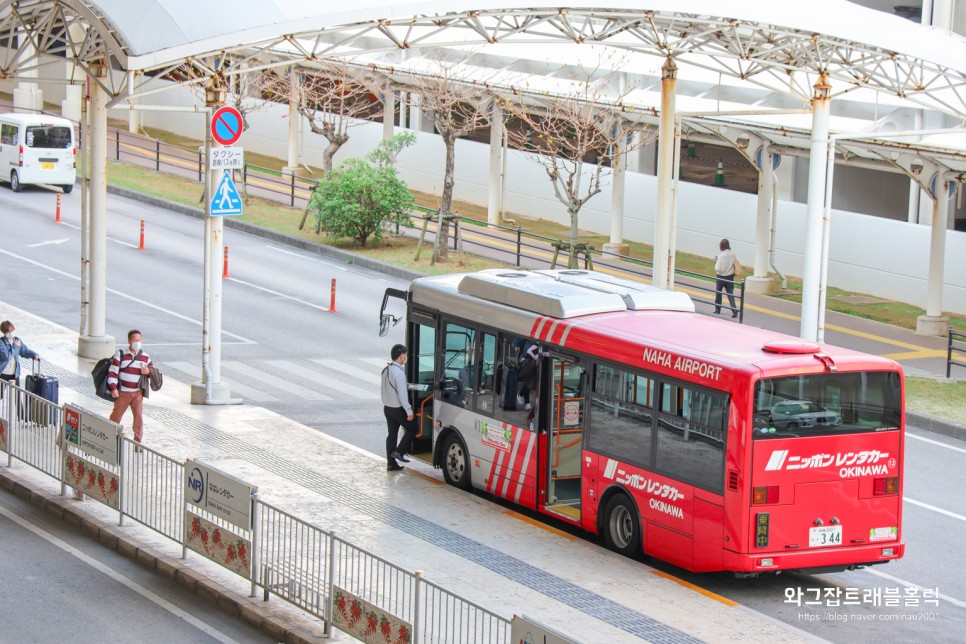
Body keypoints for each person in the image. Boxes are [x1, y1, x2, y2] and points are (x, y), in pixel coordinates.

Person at [108, 330, 153, 449]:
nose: (137, 342)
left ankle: (137, 442)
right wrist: (113, 388)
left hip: (137, 393)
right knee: (116, 416)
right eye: (135, 340)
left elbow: (152, 372)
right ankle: (109, 437)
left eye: (139, 340)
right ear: (129, 341)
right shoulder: (121, 354)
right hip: (123, 393)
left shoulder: (145, 357)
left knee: (138, 417)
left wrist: (148, 372)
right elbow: (113, 372)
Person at [381, 343, 417, 472]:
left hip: (387, 408)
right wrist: (409, 412)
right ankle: (399, 452)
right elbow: (402, 396)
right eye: (405, 356)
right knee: (413, 428)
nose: (406, 358)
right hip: (397, 409)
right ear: (401, 357)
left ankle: (391, 464)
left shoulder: (386, 370)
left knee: (392, 434)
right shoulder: (399, 374)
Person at [0, 320, 39, 399]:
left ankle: (20, 412)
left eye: (12, 330)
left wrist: (34, 355)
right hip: (3, 374)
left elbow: (25, 351)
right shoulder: (1, 342)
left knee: (17, 398)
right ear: (4, 333)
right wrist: (15, 347)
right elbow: (7, 356)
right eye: (8, 331)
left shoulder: (17, 341)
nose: (11, 333)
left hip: (14, 374)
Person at [714, 238, 739, 318]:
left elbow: (718, 269)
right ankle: (734, 309)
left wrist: (717, 261)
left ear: (722, 246)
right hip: (730, 277)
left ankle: (718, 309)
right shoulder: (732, 254)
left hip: (721, 277)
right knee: (730, 294)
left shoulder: (721, 256)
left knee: (719, 293)